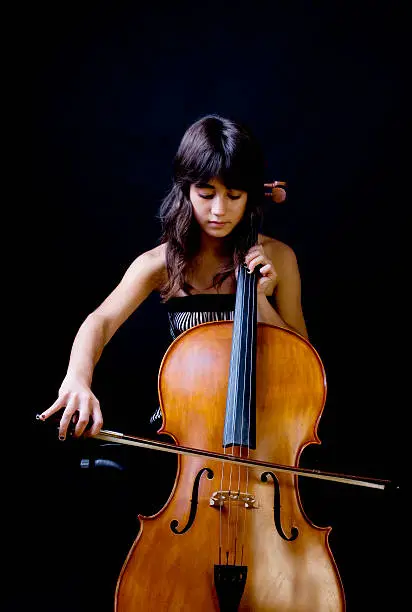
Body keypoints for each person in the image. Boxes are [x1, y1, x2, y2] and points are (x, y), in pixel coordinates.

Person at [38, 114, 308, 440]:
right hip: (182, 434)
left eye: (234, 196)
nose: (219, 210)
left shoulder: (279, 258)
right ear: (186, 190)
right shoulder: (161, 264)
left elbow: (303, 364)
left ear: (250, 196)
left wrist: (260, 300)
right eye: (206, 195)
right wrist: (78, 378)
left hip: (261, 436)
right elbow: (101, 321)